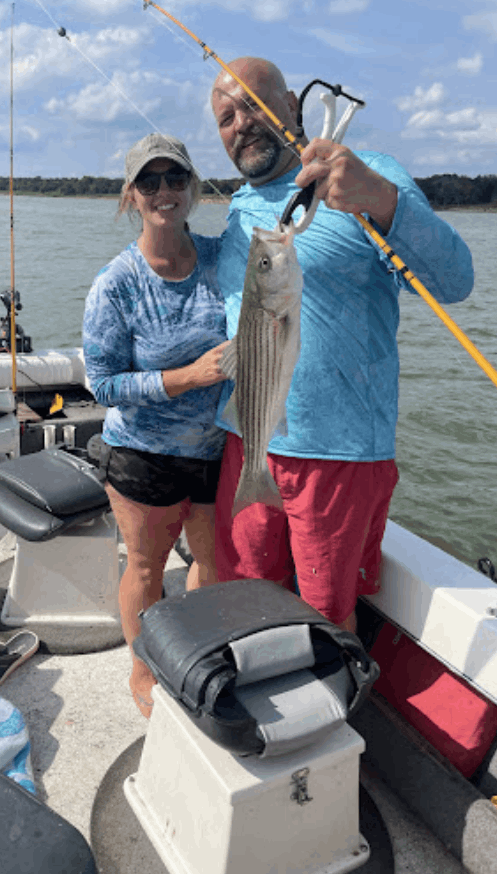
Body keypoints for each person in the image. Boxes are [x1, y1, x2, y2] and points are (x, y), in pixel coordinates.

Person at [211, 57, 474, 633]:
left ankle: (325, 712)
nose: (240, 123)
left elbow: (456, 281)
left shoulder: (369, 172)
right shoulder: (237, 207)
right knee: (245, 594)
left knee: (326, 615)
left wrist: (380, 199)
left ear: (293, 106)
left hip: (339, 455)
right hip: (248, 436)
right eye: (225, 117)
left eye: (253, 103)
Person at [82, 133, 228, 717]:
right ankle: (143, 669)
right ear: (131, 196)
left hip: (219, 450)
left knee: (213, 563)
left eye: (175, 178)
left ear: (191, 188)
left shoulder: (223, 258)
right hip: (143, 453)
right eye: (150, 181)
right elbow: (104, 384)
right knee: (146, 567)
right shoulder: (115, 284)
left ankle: (192, 654)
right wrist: (186, 378)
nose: (164, 191)